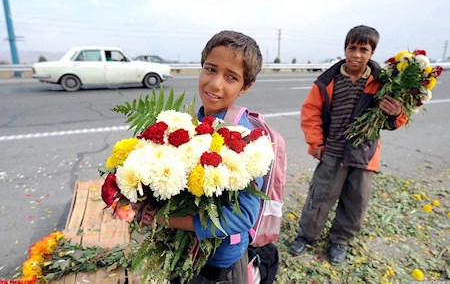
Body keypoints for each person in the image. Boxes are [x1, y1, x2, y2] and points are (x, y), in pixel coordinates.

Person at [138, 30, 267, 283]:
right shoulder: (191, 122)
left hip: (221, 259)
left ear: (246, 86)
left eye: (231, 77)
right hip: (186, 250)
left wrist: (168, 220)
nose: (216, 84)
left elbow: (243, 217)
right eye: (210, 69)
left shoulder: (247, 142)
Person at [290, 25, 408, 263]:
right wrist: (315, 142)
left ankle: (340, 240)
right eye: (352, 48)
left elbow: (393, 121)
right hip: (331, 151)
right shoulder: (328, 81)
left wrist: (396, 113)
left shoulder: (383, 83)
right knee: (320, 195)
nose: (356, 54)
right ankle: (306, 236)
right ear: (344, 49)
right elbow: (311, 112)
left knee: (356, 201)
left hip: (364, 154)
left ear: (371, 53)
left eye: (363, 49)